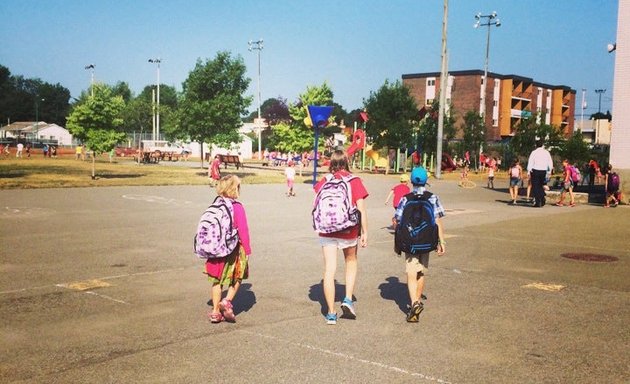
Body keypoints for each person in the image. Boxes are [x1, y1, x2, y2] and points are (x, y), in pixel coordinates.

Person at [313, 149, 368, 325]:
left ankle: (330, 313)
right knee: (351, 261)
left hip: (326, 230)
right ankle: (348, 299)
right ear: (346, 162)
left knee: (329, 270)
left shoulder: (324, 181)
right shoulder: (354, 180)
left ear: (332, 163)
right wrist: (365, 231)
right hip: (348, 230)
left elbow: (316, 202)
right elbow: (361, 209)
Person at [393, 166, 446, 322]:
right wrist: (441, 241)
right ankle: (417, 300)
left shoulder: (405, 198)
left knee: (411, 272)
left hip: (410, 242)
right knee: (421, 271)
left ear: (410, 181)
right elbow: (437, 221)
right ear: (426, 181)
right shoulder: (433, 197)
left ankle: (414, 302)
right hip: (427, 241)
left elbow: (398, 220)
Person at [204, 175, 251, 323]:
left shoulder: (215, 204)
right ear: (234, 188)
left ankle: (215, 312)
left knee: (217, 280)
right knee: (238, 276)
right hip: (233, 248)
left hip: (216, 249)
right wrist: (247, 250)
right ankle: (227, 301)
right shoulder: (237, 207)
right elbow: (243, 230)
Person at [527, 140, 553, 207]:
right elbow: (550, 162)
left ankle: (538, 201)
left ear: (536, 145)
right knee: (541, 185)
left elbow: (530, 162)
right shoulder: (546, 152)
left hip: (535, 170)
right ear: (542, 145)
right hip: (543, 171)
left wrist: (528, 171)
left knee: (535, 186)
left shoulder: (534, 152)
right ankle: (542, 198)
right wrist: (549, 171)